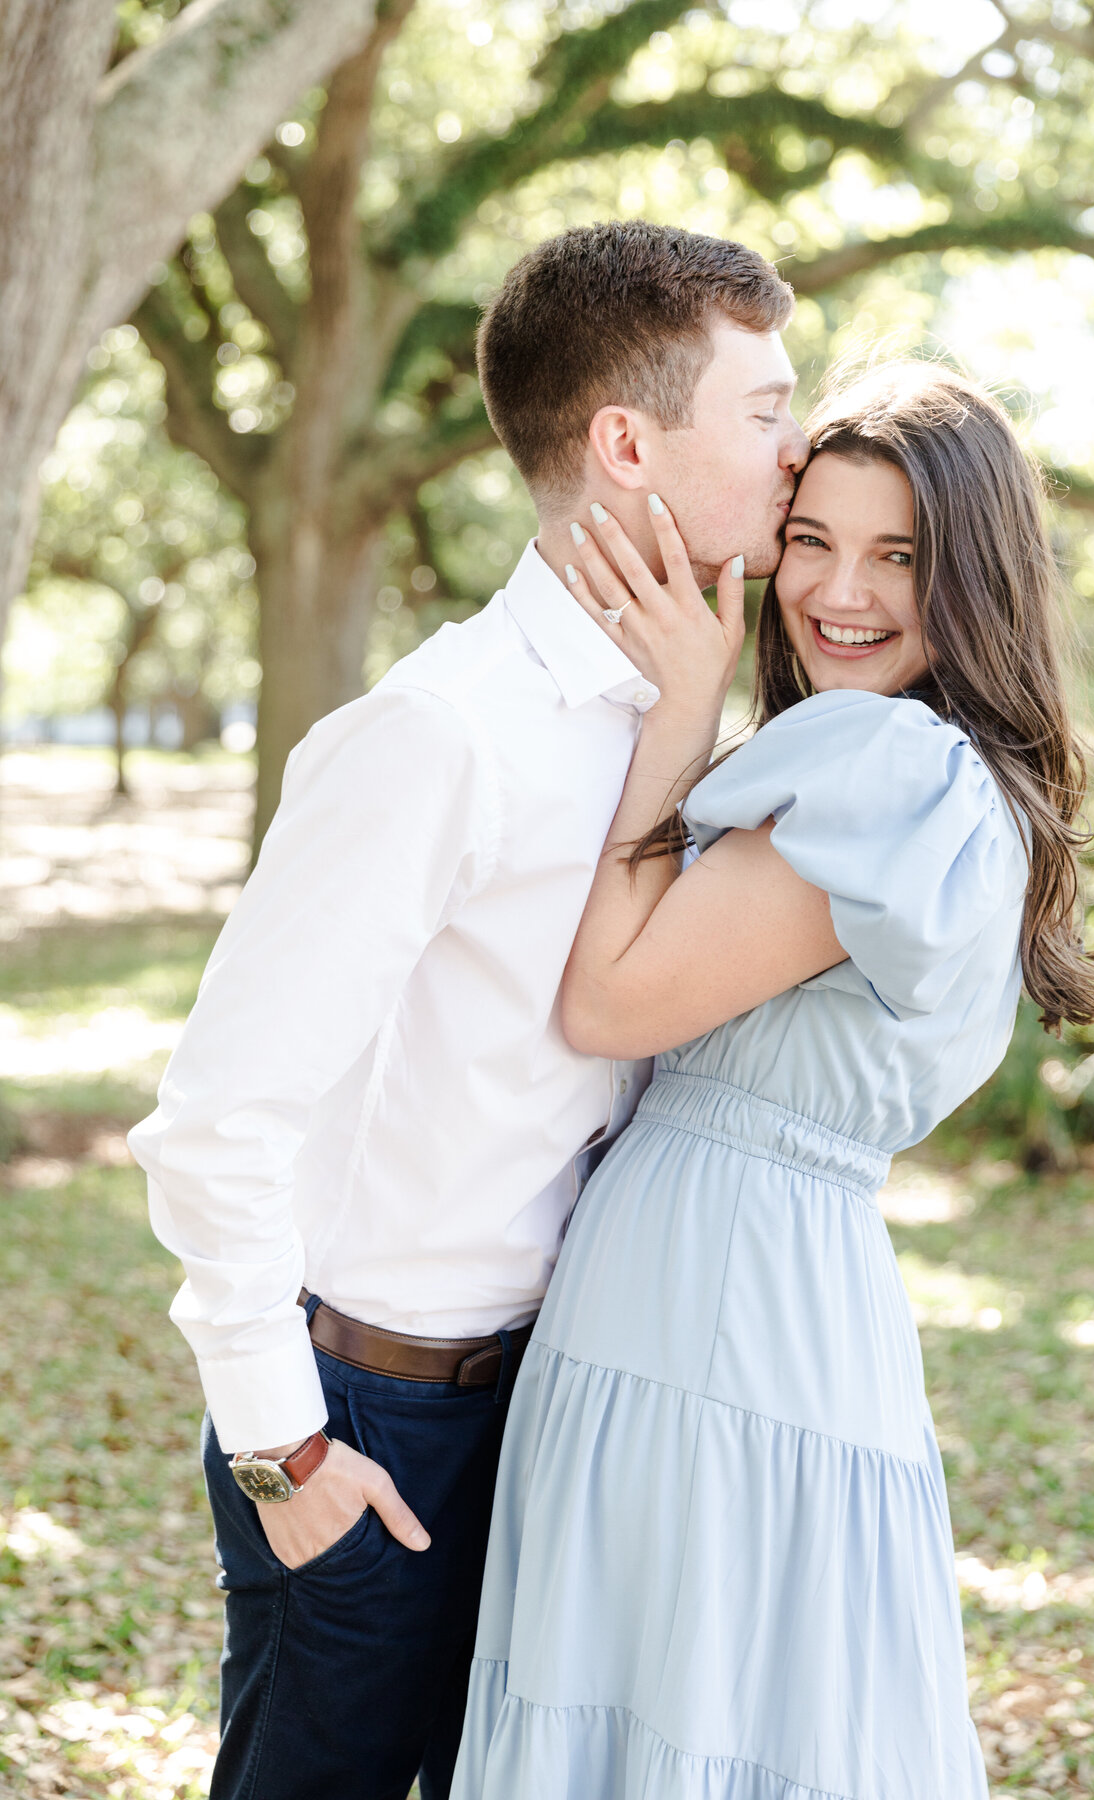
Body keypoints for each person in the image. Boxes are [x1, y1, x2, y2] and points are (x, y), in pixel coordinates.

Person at [126, 219, 808, 1800]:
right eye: (766, 411)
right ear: (627, 442)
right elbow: (218, 1122)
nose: (799, 448)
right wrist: (284, 1452)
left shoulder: (687, 710)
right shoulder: (438, 735)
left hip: (558, 1411)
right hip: (370, 1420)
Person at [451, 362, 1094, 1799]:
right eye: (811, 539)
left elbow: (609, 999)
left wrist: (676, 715)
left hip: (713, 1310)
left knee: (669, 1714)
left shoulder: (885, 770)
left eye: (899, 555)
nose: (841, 591)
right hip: (773, 1298)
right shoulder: (948, 779)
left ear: (977, 579)